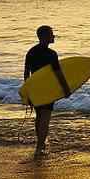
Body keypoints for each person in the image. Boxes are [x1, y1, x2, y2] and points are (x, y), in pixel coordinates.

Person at [24, 25, 71, 155]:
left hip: (35, 88)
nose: (53, 36)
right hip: (48, 89)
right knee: (45, 117)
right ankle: (39, 147)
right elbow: (58, 73)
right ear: (44, 37)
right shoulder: (51, 54)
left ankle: (40, 144)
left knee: (39, 116)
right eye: (51, 34)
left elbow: (26, 74)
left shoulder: (31, 52)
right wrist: (66, 89)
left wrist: (27, 92)